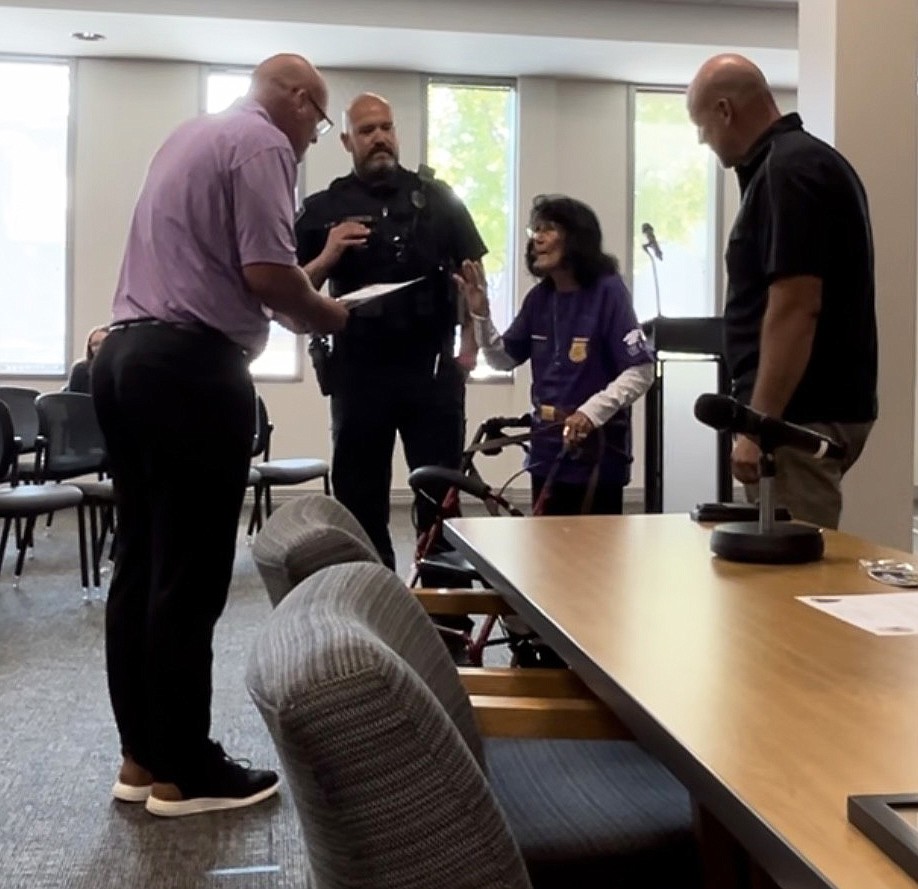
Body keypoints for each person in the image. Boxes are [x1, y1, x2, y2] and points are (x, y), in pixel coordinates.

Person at [90, 54, 348, 818]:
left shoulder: (188, 135)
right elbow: (268, 274)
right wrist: (329, 315)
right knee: (190, 573)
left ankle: (140, 755)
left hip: (122, 357)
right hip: (192, 370)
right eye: (321, 121)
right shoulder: (265, 143)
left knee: (139, 563)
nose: (312, 141)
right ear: (299, 101)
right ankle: (186, 771)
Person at [294, 92, 487, 570]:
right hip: (360, 372)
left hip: (432, 370)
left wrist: (471, 346)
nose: (379, 138)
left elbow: (472, 278)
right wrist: (329, 253)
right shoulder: (324, 208)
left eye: (386, 127)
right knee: (359, 502)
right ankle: (373, 608)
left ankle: (449, 623)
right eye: (366, 130)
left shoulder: (438, 199)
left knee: (441, 499)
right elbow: (294, 291)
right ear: (346, 141)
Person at [686, 54, 877, 528]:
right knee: (779, 582)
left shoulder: (788, 170)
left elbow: (795, 306)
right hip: (813, 412)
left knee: (792, 589)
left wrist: (760, 424)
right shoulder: (805, 162)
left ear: (725, 110)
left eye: (702, 125)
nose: (702, 139)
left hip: (797, 420)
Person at [455, 195, 655, 515]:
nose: (537, 238)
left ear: (577, 236)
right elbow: (502, 359)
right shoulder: (539, 298)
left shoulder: (608, 291)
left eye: (548, 228)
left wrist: (590, 413)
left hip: (596, 458)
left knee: (593, 558)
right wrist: (481, 314)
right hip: (546, 454)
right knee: (545, 553)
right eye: (534, 229)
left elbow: (641, 370)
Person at [66, 324, 108, 393]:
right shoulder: (80, 369)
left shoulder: (121, 369)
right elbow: (72, 400)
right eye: (95, 344)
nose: (98, 348)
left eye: (103, 343)